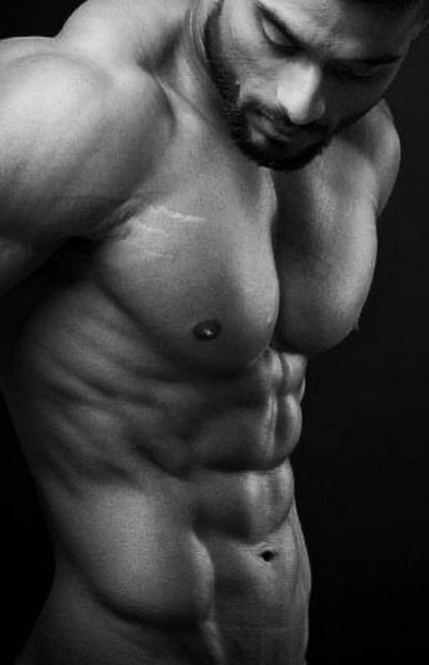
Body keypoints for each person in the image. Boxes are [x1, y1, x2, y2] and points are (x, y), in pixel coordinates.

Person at [0, 0, 426, 663]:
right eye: (278, 38)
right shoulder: (75, 104)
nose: (302, 105)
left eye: (359, 69)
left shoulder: (363, 140)